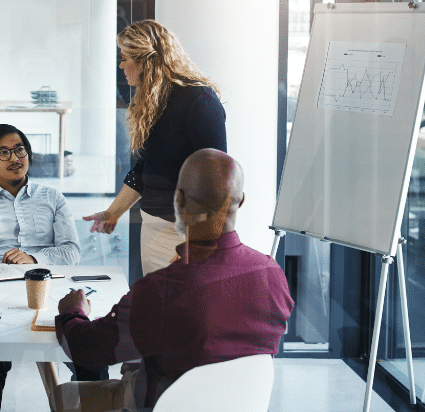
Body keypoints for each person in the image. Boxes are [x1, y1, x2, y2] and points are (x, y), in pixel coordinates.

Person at [54, 150, 293, 412]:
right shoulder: (271, 274)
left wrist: (72, 312)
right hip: (239, 404)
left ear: (178, 201)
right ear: (241, 201)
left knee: (64, 397)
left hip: (160, 404)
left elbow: (86, 351)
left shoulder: (162, 289)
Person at [0, 124, 83, 412]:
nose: (15, 157)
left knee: (88, 350)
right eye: (3, 152)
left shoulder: (52, 198)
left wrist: (34, 260)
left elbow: (72, 252)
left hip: (53, 294)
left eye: (20, 149)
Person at [84, 20, 227, 275]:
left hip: (185, 236)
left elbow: (216, 181)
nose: (120, 65)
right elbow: (148, 167)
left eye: (125, 58)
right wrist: (112, 213)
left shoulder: (199, 100)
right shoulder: (153, 101)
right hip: (153, 227)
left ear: (146, 62)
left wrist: (197, 244)